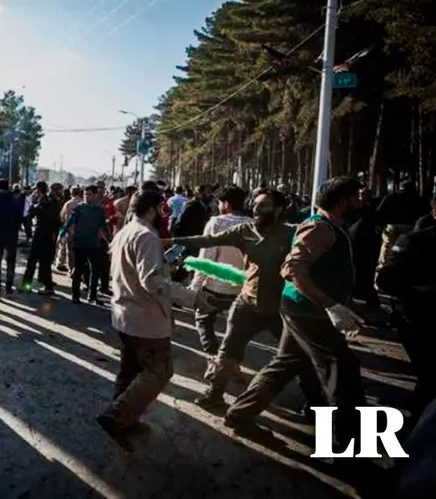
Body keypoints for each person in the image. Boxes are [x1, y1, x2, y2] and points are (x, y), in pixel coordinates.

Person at [224, 177, 365, 446]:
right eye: (356, 197)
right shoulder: (318, 228)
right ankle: (349, 449)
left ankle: (240, 414)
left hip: (303, 310)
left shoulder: (332, 227)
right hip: (309, 313)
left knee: (285, 364)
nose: (361, 201)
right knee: (342, 370)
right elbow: (293, 269)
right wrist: (331, 306)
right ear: (341, 202)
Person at [165, 189, 324, 412]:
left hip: (280, 308)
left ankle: (315, 403)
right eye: (255, 205)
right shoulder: (245, 230)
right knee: (227, 352)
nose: (257, 210)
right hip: (246, 304)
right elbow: (208, 240)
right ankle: (214, 395)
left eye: (264, 206)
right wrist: (170, 241)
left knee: (298, 356)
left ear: (280, 210)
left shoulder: (293, 235)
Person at [99, 189, 208, 451]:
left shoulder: (126, 231)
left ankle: (124, 414)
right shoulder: (147, 236)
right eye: (161, 209)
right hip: (145, 320)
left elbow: (135, 269)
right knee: (160, 371)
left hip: (125, 315)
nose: (164, 214)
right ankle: (116, 417)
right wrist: (191, 297)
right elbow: (151, 281)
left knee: (131, 369)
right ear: (151, 210)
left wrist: (164, 267)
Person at [376, 221, 436, 431]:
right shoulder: (414, 241)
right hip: (418, 318)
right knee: (430, 377)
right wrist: (421, 292)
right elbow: (385, 279)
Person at [186, 185, 250, 360]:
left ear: (226, 203)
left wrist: (195, 287)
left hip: (216, 287)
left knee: (203, 318)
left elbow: (206, 258)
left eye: (220, 202)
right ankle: (232, 361)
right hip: (242, 289)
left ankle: (213, 356)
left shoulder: (216, 223)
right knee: (236, 328)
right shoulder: (252, 224)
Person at [65, 185, 109, 304]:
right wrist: (63, 234)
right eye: (85, 194)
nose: (86, 197)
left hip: (94, 244)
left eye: (89, 194)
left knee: (95, 270)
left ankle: (92, 295)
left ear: (95, 195)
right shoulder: (79, 208)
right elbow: (70, 222)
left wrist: (110, 241)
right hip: (80, 243)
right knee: (79, 269)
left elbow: (103, 227)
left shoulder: (99, 210)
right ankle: (75, 295)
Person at [21, 181, 63, 295]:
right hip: (50, 236)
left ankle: (27, 285)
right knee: (45, 263)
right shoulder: (55, 202)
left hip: (41, 235)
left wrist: (33, 204)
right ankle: (47, 286)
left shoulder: (42, 202)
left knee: (32, 261)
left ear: (38, 191)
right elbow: (58, 220)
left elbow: (30, 214)